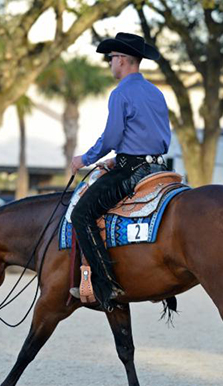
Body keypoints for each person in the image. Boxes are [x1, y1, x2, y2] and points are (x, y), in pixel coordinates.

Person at [69, 32, 171, 311]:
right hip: (158, 168)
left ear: (123, 60)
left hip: (132, 170)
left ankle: (106, 283)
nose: (110, 64)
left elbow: (111, 138)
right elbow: (153, 135)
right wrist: (118, 157)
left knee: (81, 213)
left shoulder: (121, 93)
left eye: (111, 58)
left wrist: (85, 159)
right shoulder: (156, 92)